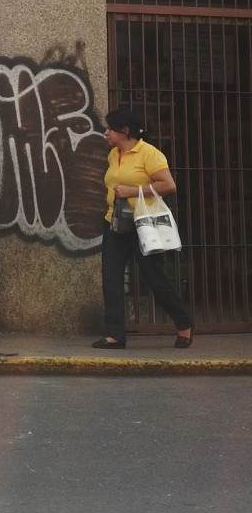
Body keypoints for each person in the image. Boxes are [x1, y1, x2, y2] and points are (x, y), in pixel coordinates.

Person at [93, 107, 193, 350]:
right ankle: (114, 335)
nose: (106, 132)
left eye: (110, 128)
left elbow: (168, 185)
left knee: (154, 278)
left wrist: (134, 191)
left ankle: (184, 323)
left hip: (142, 225)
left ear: (125, 131)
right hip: (114, 223)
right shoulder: (113, 154)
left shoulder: (149, 154)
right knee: (111, 278)